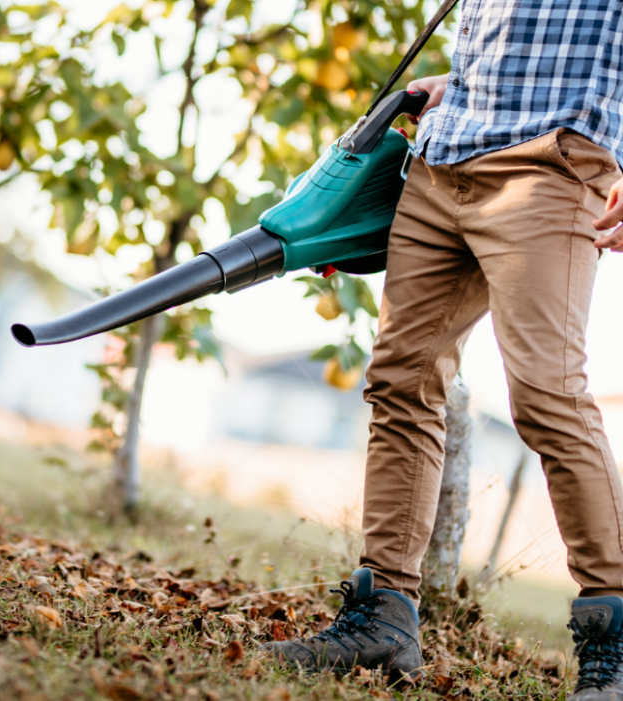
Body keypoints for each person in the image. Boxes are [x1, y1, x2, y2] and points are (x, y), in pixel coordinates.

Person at [263, 1, 623, 697]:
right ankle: (383, 618)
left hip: (552, 163)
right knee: (401, 379)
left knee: (548, 395)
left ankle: (614, 635)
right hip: (445, 152)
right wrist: (455, 82)